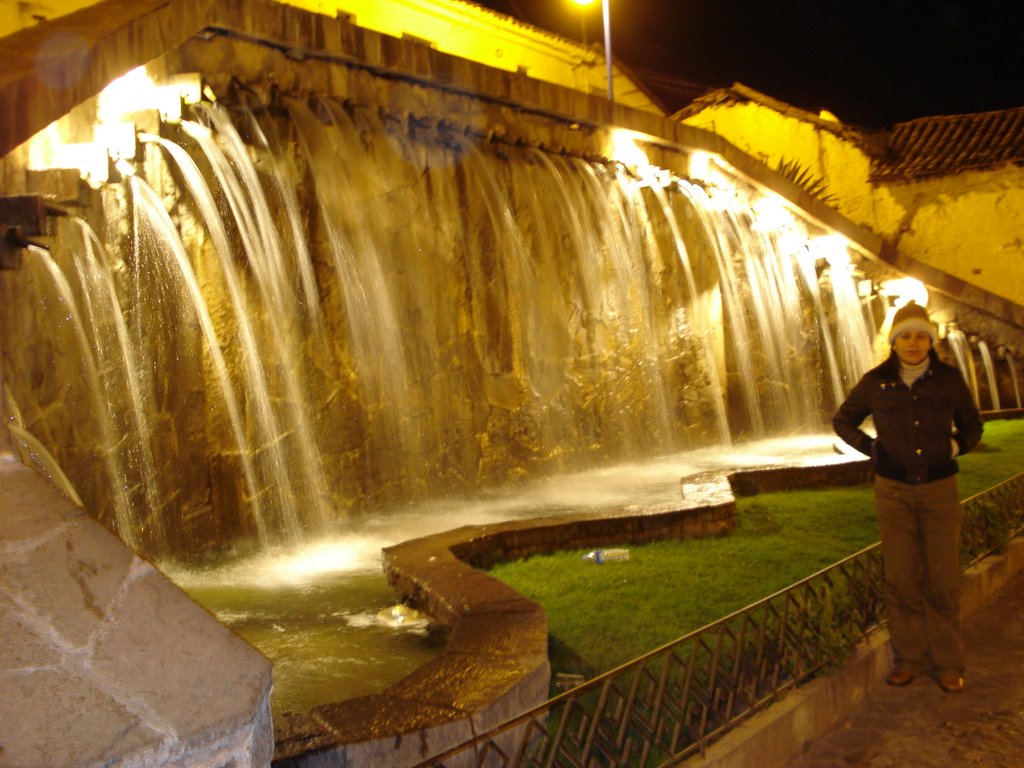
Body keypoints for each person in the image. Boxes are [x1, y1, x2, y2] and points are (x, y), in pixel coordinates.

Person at [833, 301, 982, 693]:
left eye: (920, 336)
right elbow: (843, 420)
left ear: (930, 341)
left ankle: (948, 662)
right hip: (893, 491)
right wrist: (873, 449)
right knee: (900, 579)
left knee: (943, 579)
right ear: (894, 342)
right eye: (905, 336)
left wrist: (954, 447)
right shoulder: (875, 381)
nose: (913, 343)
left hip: (939, 490)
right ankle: (911, 659)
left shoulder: (948, 380)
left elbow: (972, 425)